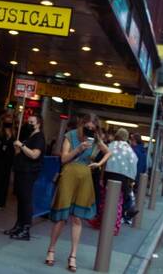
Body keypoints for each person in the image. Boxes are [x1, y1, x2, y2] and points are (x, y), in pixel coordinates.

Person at [46, 114, 111, 272]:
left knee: (77, 218)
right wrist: (78, 149)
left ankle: (73, 255)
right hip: (69, 174)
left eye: (92, 128)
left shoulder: (95, 139)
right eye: (87, 127)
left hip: (85, 177)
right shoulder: (71, 135)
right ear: (81, 124)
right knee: (62, 216)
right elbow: (63, 159)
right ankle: (51, 250)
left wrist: (98, 164)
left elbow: (108, 152)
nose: (89, 130)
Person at [7, 114, 45, 240]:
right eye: (28, 121)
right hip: (21, 170)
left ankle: (25, 228)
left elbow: (35, 155)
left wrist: (22, 146)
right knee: (21, 199)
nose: (29, 124)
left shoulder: (39, 137)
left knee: (26, 200)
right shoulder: (29, 136)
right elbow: (20, 153)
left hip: (29, 172)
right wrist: (17, 148)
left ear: (38, 124)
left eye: (32, 122)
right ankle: (19, 225)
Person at [99, 128, 138, 234]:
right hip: (124, 179)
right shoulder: (130, 150)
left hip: (109, 175)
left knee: (105, 200)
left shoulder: (111, 146)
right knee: (118, 202)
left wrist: (102, 178)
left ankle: (103, 222)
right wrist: (131, 182)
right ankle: (115, 226)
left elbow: (104, 161)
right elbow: (133, 164)